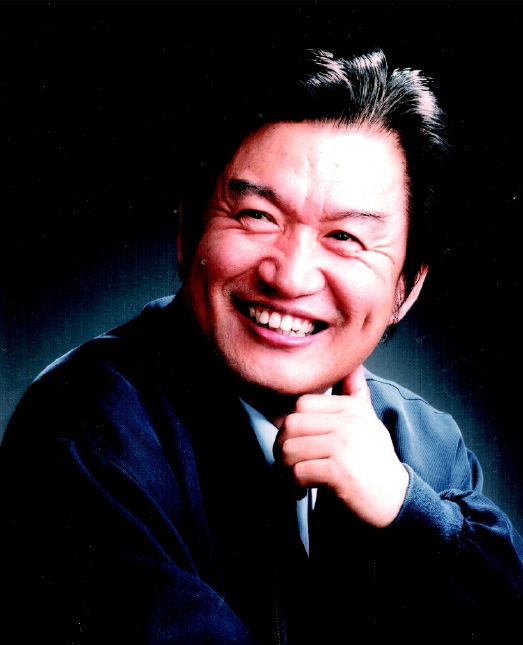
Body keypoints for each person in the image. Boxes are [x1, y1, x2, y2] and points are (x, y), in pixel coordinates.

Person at [1, 48, 522, 643]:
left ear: (407, 288)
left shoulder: (424, 445)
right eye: (256, 215)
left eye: (345, 237)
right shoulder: (86, 432)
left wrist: (408, 510)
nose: (291, 277)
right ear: (187, 231)